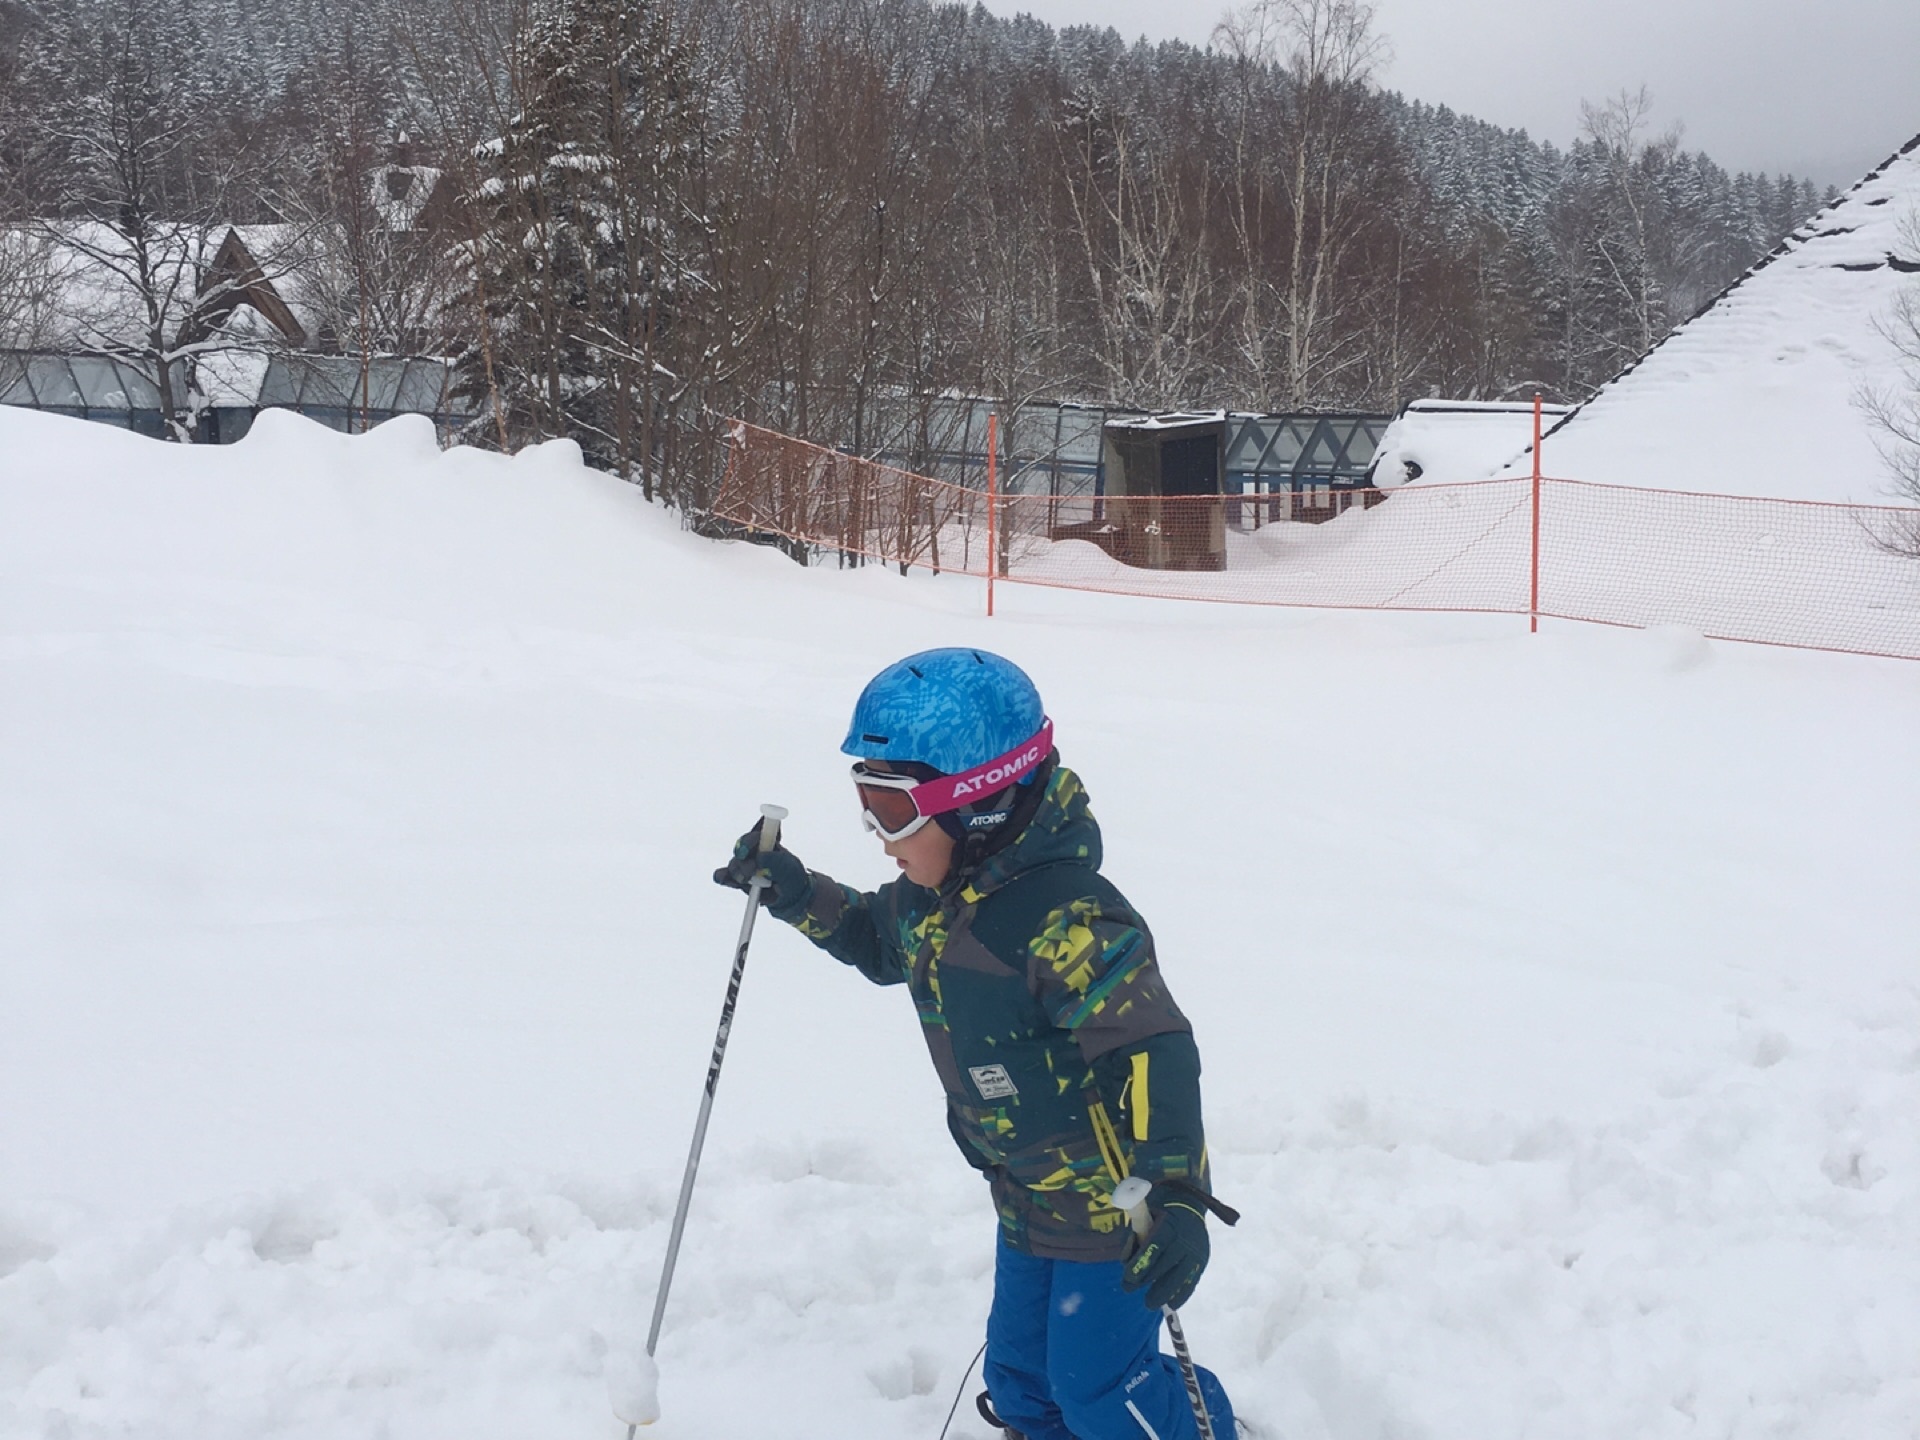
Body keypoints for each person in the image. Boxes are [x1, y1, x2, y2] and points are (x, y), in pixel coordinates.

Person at [715, 647, 1236, 1440]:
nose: (877, 833)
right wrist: (791, 889)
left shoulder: (1069, 922)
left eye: (891, 810)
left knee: (1098, 1388)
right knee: (1024, 1383)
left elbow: (1153, 1048)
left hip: (1116, 1215)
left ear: (978, 805)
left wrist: (1174, 1189)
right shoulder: (936, 900)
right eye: (865, 801)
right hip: (1025, 1198)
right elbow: (873, 939)